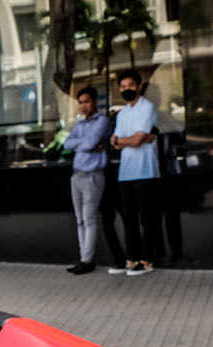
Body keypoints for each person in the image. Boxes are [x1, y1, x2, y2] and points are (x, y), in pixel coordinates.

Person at [108, 69, 161, 277]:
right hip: (126, 172)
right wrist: (129, 140)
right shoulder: (123, 113)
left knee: (147, 218)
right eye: (122, 87)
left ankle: (147, 260)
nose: (126, 89)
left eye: (130, 86)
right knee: (128, 217)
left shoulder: (147, 108)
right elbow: (116, 143)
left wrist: (126, 140)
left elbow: (137, 140)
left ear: (139, 87)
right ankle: (131, 259)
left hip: (146, 171)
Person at [62, 87, 109, 275]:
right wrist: (85, 144)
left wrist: (82, 144)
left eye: (86, 101)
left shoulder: (102, 121)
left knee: (89, 219)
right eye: (80, 102)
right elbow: (67, 144)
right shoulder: (80, 125)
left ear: (95, 101)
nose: (83, 105)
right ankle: (84, 257)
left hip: (92, 175)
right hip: (76, 175)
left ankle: (87, 260)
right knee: (80, 219)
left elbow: (89, 144)